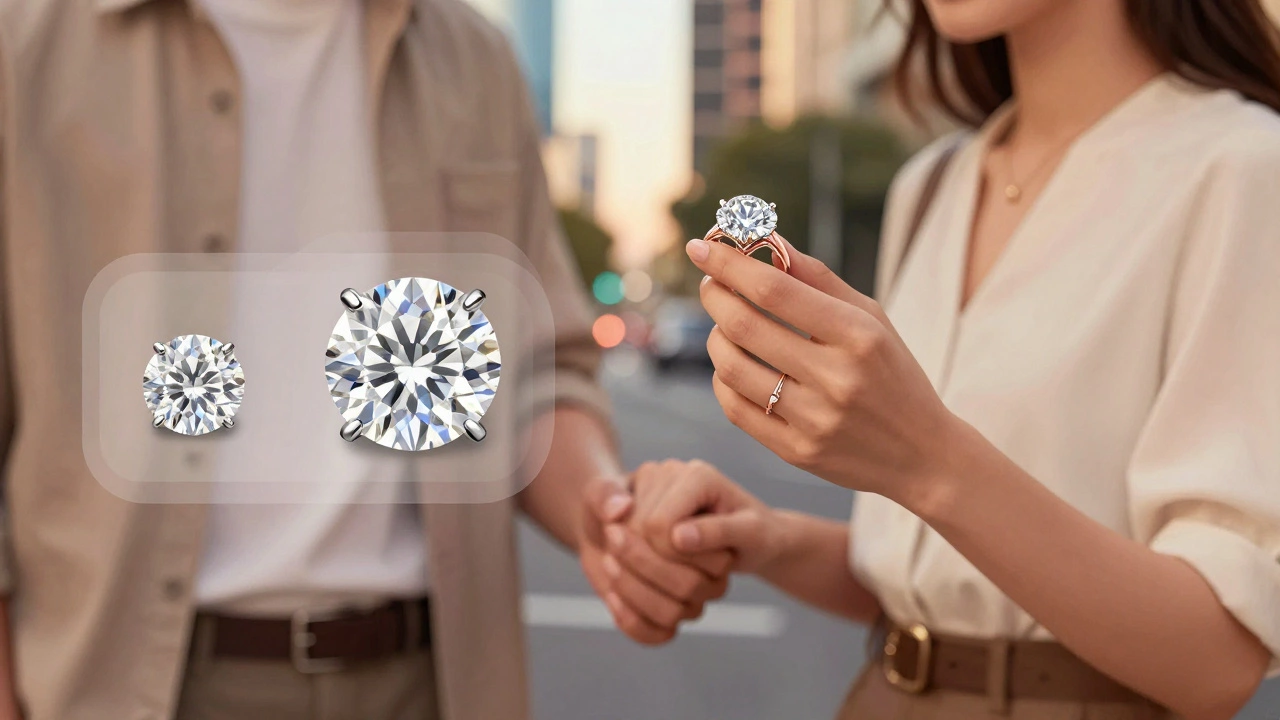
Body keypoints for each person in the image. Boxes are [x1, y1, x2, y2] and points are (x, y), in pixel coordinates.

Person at [0, 0, 729, 718]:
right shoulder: (26, 40)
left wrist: (608, 513)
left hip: (426, 682)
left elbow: (535, 375)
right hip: (126, 687)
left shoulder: (474, 58)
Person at [600, 0, 1280, 718]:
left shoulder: (1244, 166)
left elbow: (1218, 659)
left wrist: (926, 458)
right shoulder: (933, 183)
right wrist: (770, 539)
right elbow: (949, 586)